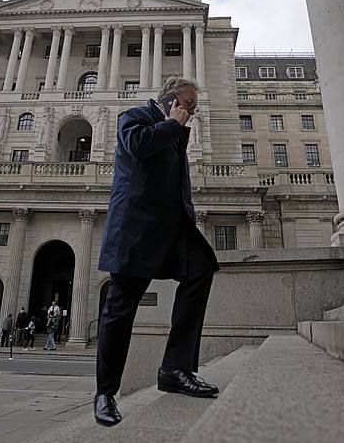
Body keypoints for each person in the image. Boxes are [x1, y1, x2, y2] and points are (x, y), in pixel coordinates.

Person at [93, 77, 220, 427]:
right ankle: (105, 393)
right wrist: (172, 125)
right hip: (136, 226)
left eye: (195, 106)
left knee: (202, 268)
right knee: (121, 307)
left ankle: (175, 369)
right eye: (189, 104)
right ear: (170, 98)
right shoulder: (135, 117)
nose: (192, 111)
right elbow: (138, 147)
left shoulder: (174, 129)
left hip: (173, 225)